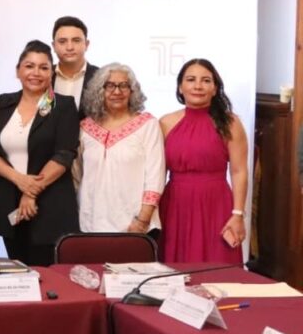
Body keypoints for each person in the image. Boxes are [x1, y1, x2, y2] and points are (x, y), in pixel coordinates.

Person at [0, 40, 79, 266]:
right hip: (9, 201)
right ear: (18, 70)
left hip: (50, 204)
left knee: (47, 272)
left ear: (51, 73)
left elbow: (64, 154)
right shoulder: (4, 103)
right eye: (29, 66)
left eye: (43, 67)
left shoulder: (62, 105)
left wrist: (30, 192)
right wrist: (19, 180)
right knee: (17, 271)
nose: (35, 73)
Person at [158, 59, 248, 263]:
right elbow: (158, 173)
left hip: (216, 204)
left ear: (215, 88)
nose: (198, 86)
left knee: (218, 264)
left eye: (206, 80)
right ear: (180, 87)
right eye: (191, 80)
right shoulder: (165, 123)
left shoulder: (230, 123)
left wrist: (238, 214)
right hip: (174, 205)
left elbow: (239, 171)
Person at [76, 63, 165, 234]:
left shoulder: (148, 124)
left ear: (132, 91)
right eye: (110, 85)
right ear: (99, 90)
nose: (117, 92)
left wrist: (143, 220)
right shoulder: (85, 127)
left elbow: (155, 175)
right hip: (91, 224)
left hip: (135, 225)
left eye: (124, 85)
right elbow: (77, 174)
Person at [51, 16, 98, 113]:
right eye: (62, 41)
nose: (69, 47)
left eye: (76, 40)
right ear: (54, 46)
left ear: (86, 44)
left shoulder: (101, 77)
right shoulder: (43, 76)